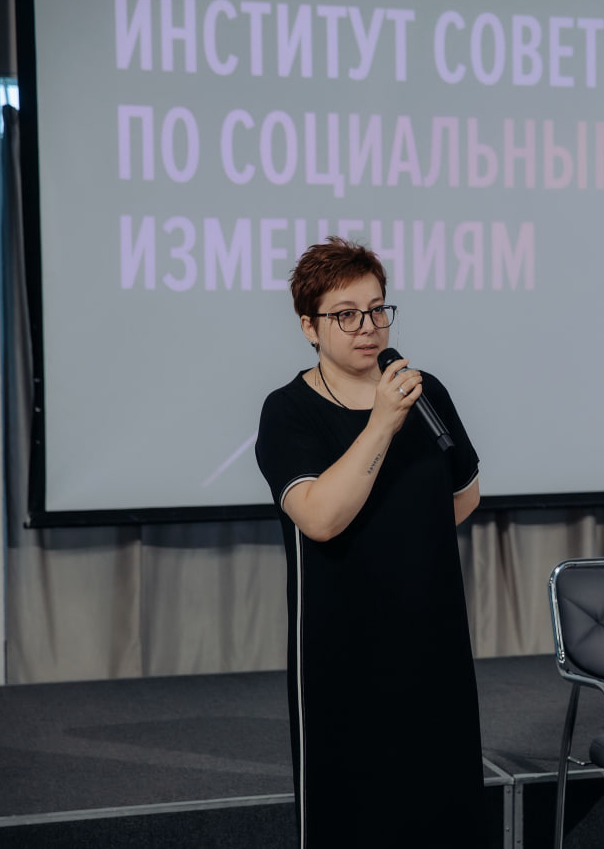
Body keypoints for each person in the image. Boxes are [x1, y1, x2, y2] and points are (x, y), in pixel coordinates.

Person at [255, 237, 484, 847]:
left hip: (432, 633)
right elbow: (320, 519)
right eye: (346, 314)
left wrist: (405, 544)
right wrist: (382, 422)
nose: (368, 327)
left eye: (378, 309)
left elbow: (464, 495)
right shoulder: (288, 411)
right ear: (309, 326)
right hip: (343, 646)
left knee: (443, 803)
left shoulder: (424, 391)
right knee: (356, 812)